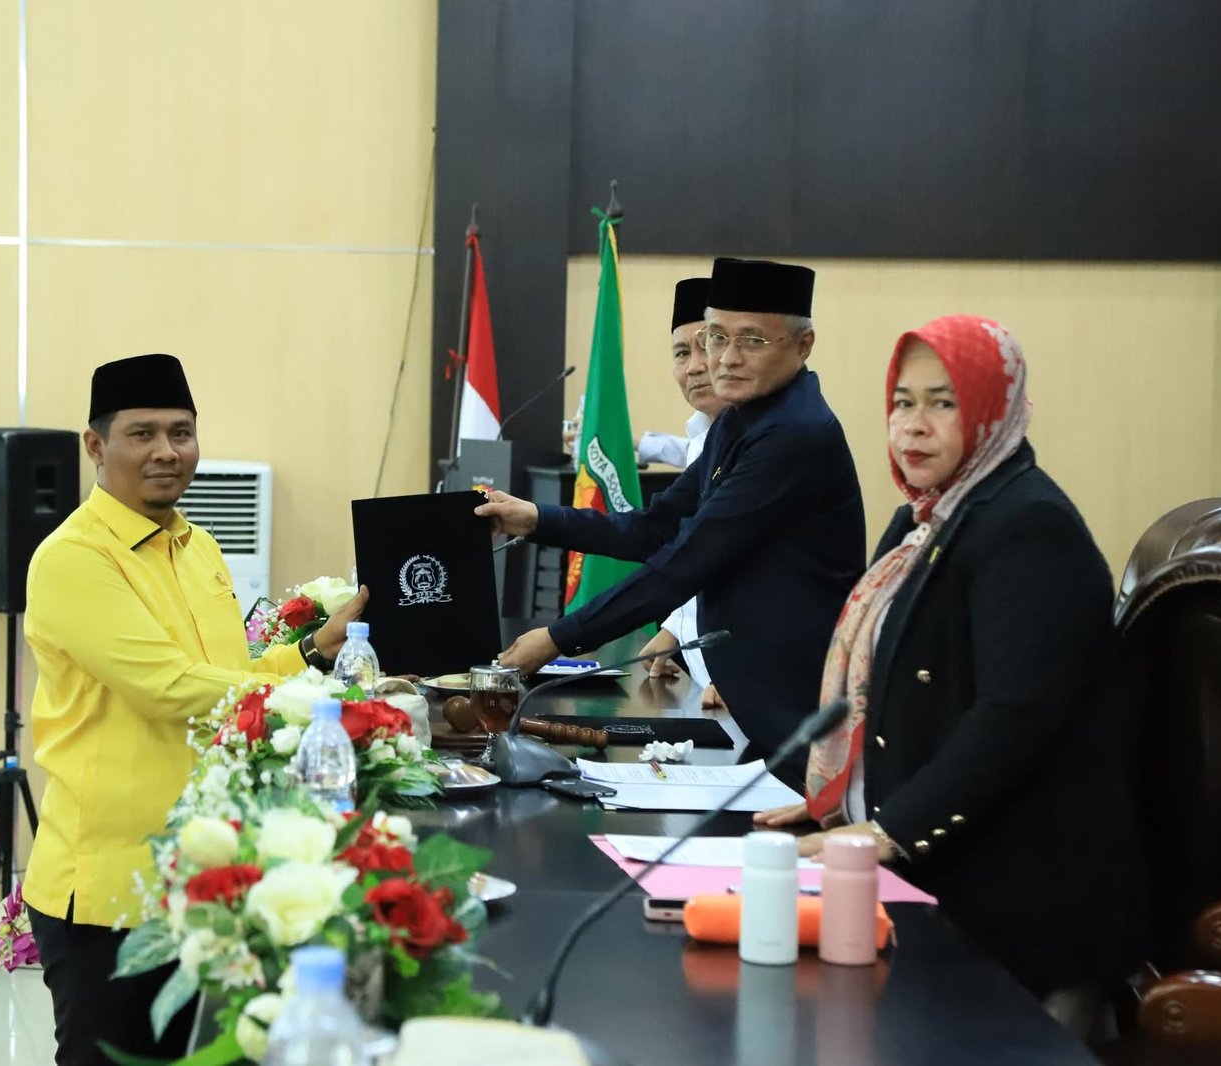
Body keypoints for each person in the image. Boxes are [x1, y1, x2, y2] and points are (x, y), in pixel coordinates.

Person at [754, 316, 1148, 1020]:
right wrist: (842, 800)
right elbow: (897, 688)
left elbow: (1014, 717)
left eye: (944, 403)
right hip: (949, 877)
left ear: (995, 410)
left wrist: (886, 831)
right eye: (903, 402)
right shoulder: (928, 518)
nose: (914, 424)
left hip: (1026, 909)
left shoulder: (1028, 527)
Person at [22, 353, 368, 1065]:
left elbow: (228, 678)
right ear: (95, 446)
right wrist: (315, 702)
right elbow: (170, 688)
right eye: (141, 434)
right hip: (112, 891)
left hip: (205, 876)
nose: (166, 452)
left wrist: (314, 652)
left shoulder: (198, 545)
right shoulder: (73, 558)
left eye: (181, 433)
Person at [478, 258, 865, 772]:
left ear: (803, 344)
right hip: (760, 706)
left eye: (751, 341)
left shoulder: (794, 434)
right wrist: (536, 519)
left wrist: (557, 639)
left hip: (799, 709)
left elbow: (685, 562)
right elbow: (656, 528)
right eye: (716, 337)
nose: (724, 358)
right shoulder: (744, 420)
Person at [632, 277, 730, 711]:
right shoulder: (700, 438)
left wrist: (745, 675)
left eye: (705, 346)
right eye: (680, 353)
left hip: (745, 684)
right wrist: (675, 628)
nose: (694, 366)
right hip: (703, 677)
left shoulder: (763, 444)